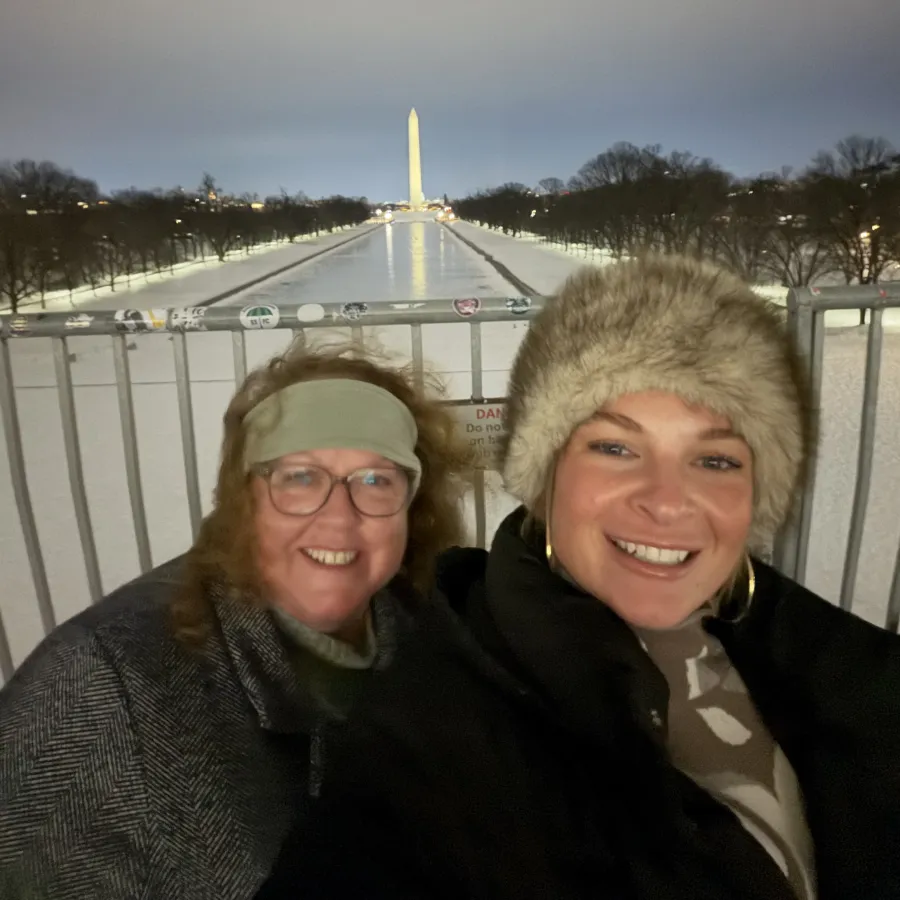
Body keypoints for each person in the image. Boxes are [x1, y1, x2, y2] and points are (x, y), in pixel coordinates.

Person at [260, 255, 900, 900]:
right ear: (545, 474)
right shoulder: (427, 751)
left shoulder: (817, 650)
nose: (668, 500)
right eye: (615, 447)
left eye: (714, 458)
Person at [0, 341, 472, 899]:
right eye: (300, 478)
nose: (340, 519)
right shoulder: (100, 684)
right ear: (243, 498)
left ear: (413, 508)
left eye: (376, 481)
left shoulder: (433, 636)